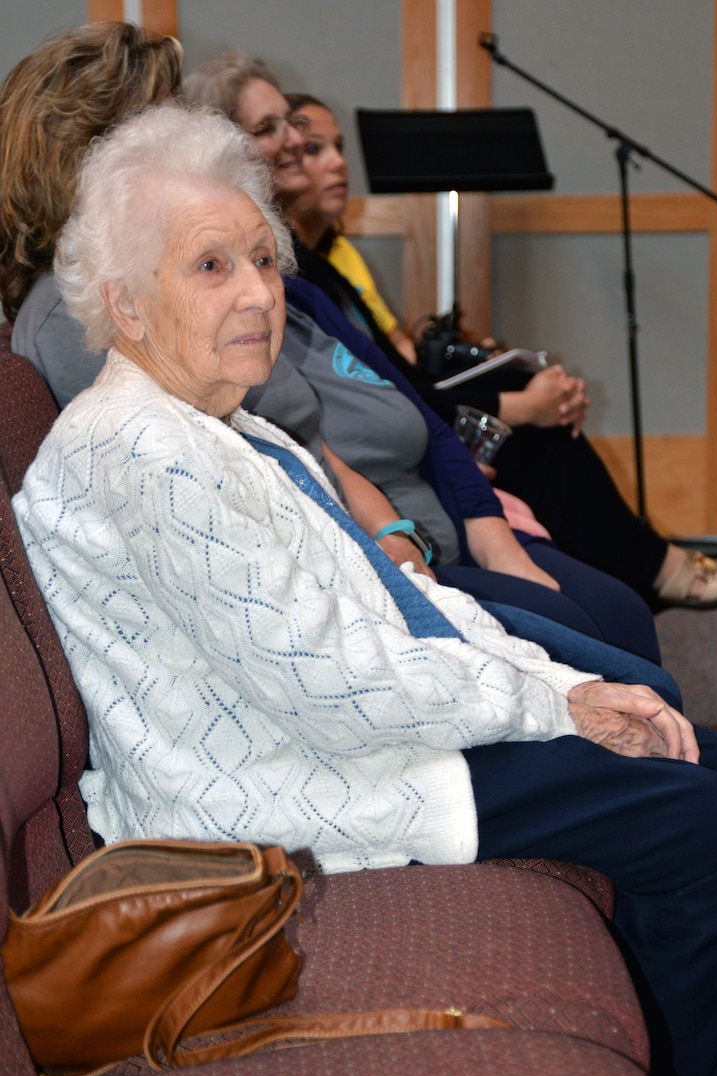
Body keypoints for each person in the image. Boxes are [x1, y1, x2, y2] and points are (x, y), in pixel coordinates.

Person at [12, 101, 717, 1076]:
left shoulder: (224, 426)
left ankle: (705, 1031)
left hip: (339, 737)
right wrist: (559, 703)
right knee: (714, 826)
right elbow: (331, 681)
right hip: (282, 795)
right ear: (124, 303)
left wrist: (544, 680)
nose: (258, 293)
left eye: (262, 258)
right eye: (212, 266)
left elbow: (394, 608)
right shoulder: (146, 451)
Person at [0, 30, 665, 665]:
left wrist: (412, 536)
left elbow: (313, 441)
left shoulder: (200, 276)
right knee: (605, 646)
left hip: (384, 546)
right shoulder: (81, 311)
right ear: (97, 153)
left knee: (616, 624)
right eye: (168, 114)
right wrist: (399, 571)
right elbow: (237, 510)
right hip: (329, 597)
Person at [281, 90, 717, 612]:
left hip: (408, 405)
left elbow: (401, 360)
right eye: (311, 148)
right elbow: (394, 388)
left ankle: (633, 567)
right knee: (536, 429)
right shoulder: (301, 274)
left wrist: (478, 363)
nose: (336, 162)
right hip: (389, 434)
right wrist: (525, 406)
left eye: (336, 147)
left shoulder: (336, 255)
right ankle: (646, 568)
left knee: (521, 384)